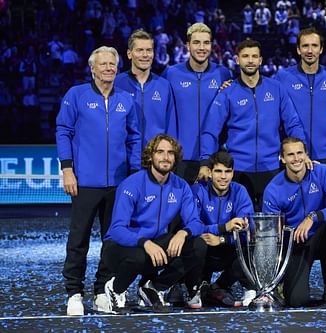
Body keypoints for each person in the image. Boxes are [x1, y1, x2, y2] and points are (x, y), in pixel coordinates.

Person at [56, 46, 141, 316]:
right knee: (78, 239)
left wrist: (135, 173)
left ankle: (102, 291)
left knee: (112, 240)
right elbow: (63, 130)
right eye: (102, 64)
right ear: (92, 68)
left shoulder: (126, 100)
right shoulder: (76, 95)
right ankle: (74, 293)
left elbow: (135, 138)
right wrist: (67, 169)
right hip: (84, 182)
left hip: (118, 184)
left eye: (112, 64)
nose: (108, 68)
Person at [102, 134, 207, 313]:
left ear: (175, 158)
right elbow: (117, 230)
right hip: (120, 247)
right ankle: (115, 289)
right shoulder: (132, 184)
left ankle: (153, 288)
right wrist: (145, 242)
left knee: (198, 245)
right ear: (150, 156)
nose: (165, 157)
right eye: (160, 152)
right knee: (138, 256)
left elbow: (196, 222)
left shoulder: (181, 186)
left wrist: (183, 233)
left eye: (170, 153)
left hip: (154, 246)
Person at [198, 39, 307, 210]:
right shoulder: (227, 92)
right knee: (243, 227)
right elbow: (210, 131)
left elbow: (293, 124)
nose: (250, 60)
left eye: (254, 56)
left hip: (272, 168)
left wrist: (302, 152)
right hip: (239, 170)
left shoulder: (276, 88)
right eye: (245, 56)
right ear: (237, 60)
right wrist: (205, 163)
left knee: (271, 228)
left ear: (260, 60)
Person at [262, 137, 326, 308]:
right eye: (290, 154)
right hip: (297, 243)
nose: (296, 159)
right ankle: (284, 287)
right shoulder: (273, 190)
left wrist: (313, 217)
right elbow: (274, 235)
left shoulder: (322, 172)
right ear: (282, 158)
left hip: (322, 236)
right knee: (297, 301)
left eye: (299, 153)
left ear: (306, 155)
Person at [162, 23, 231, 184]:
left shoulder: (223, 73)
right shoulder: (171, 73)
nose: (202, 47)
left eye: (206, 43)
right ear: (187, 45)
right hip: (179, 157)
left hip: (213, 157)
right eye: (196, 42)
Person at [191, 151, 256, 307]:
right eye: (218, 171)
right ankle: (196, 286)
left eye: (228, 172)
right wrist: (223, 227)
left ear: (233, 173)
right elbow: (192, 227)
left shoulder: (240, 191)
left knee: (250, 243)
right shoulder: (198, 190)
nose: (223, 177)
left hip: (227, 246)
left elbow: (247, 230)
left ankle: (224, 285)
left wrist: (221, 239)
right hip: (205, 246)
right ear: (210, 173)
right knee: (194, 242)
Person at [275, 27, 326, 171]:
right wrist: (229, 85)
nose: (310, 51)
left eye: (314, 46)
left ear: (321, 49)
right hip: (293, 155)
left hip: (325, 154)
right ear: (298, 49)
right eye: (305, 46)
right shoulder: (283, 76)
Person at [115, 29, 175, 150]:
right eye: (139, 50)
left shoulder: (164, 86)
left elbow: (171, 127)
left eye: (149, 50)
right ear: (129, 54)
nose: (145, 55)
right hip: (124, 159)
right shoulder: (117, 84)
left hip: (155, 159)